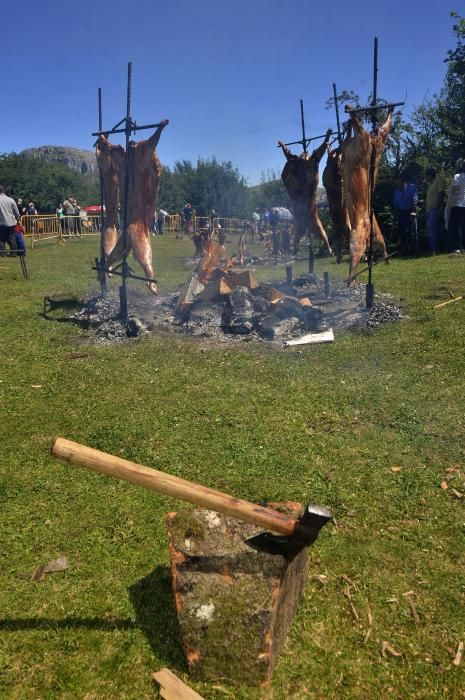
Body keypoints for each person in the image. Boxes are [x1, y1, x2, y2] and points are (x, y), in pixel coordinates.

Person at [393, 174, 418, 255]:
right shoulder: (397, 191)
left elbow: (415, 200)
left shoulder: (412, 187)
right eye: (397, 184)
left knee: (409, 232)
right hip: (401, 213)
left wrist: (413, 211)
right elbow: (395, 203)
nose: (398, 185)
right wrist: (396, 213)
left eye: (399, 183)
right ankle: (404, 248)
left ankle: (412, 249)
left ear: (404, 183)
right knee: (402, 232)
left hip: (409, 212)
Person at [445, 158, 465, 253]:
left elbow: (454, 191)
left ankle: (457, 247)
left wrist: (449, 205)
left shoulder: (457, 176)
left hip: (457, 205)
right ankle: (463, 247)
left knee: (455, 227)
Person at [425, 168, 445, 254]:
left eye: (426, 175)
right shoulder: (430, 184)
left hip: (435, 209)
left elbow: (441, 193)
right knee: (430, 229)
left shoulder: (438, 181)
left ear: (430, 175)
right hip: (429, 210)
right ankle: (433, 248)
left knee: (432, 229)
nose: (426, 178)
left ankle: (435, 248)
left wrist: (438, 206)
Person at [0, 185, 20, 255]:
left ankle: (2, 253)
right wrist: (17, 220)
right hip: (11, 223)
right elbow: (17, 213)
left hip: (1, 223)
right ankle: (14, 253)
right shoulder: (11, 200)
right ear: (4, 191)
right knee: (12, 238)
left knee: (1, 239)